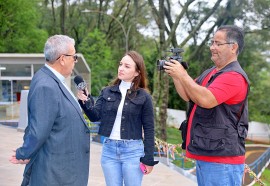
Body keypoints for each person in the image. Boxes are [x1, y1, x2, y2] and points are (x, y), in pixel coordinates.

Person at [164, 25, 249, 186]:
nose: (212, 47)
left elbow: (206, 100)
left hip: (222, 161)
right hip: (208, 155)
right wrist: (176, 76)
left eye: (218, 43)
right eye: (212, 42)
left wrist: (183, 74)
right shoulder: (212, 72)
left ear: (233, 47)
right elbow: (189, 95)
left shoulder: (234, 76)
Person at [9, 35, 90, 186]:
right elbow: (38, 129)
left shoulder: (54, 81)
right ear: (63, 59)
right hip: (55, 173)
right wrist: (24, 153)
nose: (75, 61)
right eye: (74, 57)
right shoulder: (46, 85)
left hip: (61, 171)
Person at [77, 50, 158, 186]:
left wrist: (148, 158)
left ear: (137, 72)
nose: (121, 68)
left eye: (127, 66)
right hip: (109, 150)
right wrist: (84, 102)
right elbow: (94, 116)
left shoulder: (144, 97)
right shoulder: (107, 91)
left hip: (133, 151)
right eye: (121, 64)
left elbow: (149, 129)